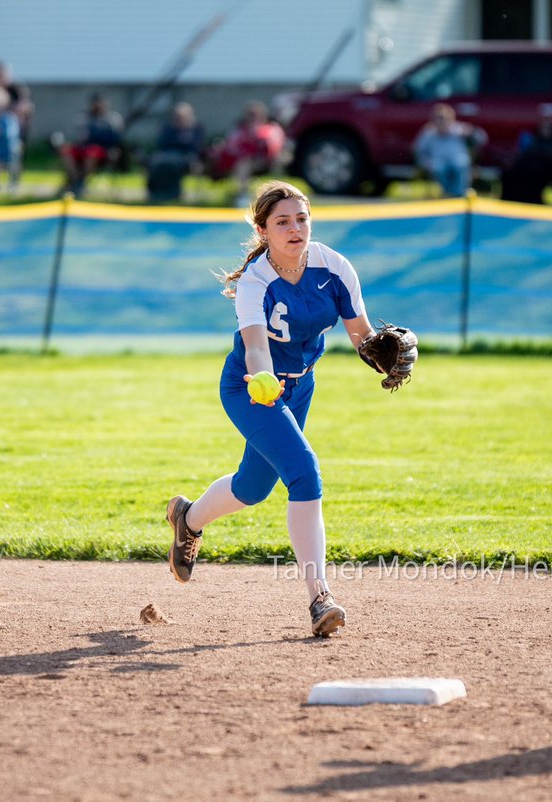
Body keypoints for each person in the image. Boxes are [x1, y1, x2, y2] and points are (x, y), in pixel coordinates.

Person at [166, 180, 389, 637]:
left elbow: (362, 334)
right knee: (305, 471)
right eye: (282, 221)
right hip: (250, 388)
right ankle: (319, 597)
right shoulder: (257, 281)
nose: (295, 228)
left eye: (302, 218)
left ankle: (186, 519)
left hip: (300, 387)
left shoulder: (335, 267)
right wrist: (263, 378)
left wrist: (387, 354)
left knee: (253, 487)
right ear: (263, 230)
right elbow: (255, 347)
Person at [211, 101, 286, 207]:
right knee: (243, 163)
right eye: (250, 115)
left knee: (244, 164)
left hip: (269, 161)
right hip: (243, 161)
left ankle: (244, 194)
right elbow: (231, 145)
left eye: (255, 115)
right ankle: (242, 194)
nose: (253, 118)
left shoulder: (272, 128)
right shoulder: (240, 130)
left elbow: (275, 147)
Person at [413, 103, 486, 198]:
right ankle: (447, 194)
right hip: (438, 162)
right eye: (438, 118)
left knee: (459, 164)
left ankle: (459, 195)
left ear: (451, 119)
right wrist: (424, 163)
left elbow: (482, 139)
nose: (441, 122)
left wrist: (471, 132)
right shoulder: (429, 132)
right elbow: (418, 149)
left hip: (458, 162)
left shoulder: (459, 129)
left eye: (444, 119)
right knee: (437, 166)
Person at [59, 92, 125, 196]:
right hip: (83, 149)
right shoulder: (83, 118)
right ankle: (75, 181)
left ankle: (81, 182)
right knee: (66, 151)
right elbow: (79, 136)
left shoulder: (112, 119)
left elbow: (115, 138)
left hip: (103, 151)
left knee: (92, 152)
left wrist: (95, 135)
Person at [500, 110, 552, 204]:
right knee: (510, 175)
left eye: (548, 128)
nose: (545, 130)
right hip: (526, 168)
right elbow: (522, 155)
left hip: (544, 171)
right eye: (543, 127)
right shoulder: (532, 140)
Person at [146, 102, 206, 203]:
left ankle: (173, 193)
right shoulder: (169, 128)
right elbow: (162, 144)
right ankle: (156, 193)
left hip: (187, 157)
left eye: (182, 116)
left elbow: (195, 146)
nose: (179, 119)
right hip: (166, 155)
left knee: (171, 163)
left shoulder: (196, 129)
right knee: (157, 163)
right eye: (177, 116)